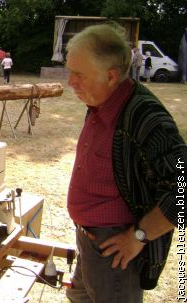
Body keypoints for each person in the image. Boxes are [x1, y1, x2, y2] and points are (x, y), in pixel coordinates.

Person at [65, 23, 186, 303]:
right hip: (90, 242)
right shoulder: (101, 102)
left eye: (79, 74)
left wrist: (140, 236)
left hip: (116, 253)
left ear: (111, 76)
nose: (71, 82)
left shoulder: (145, 118)